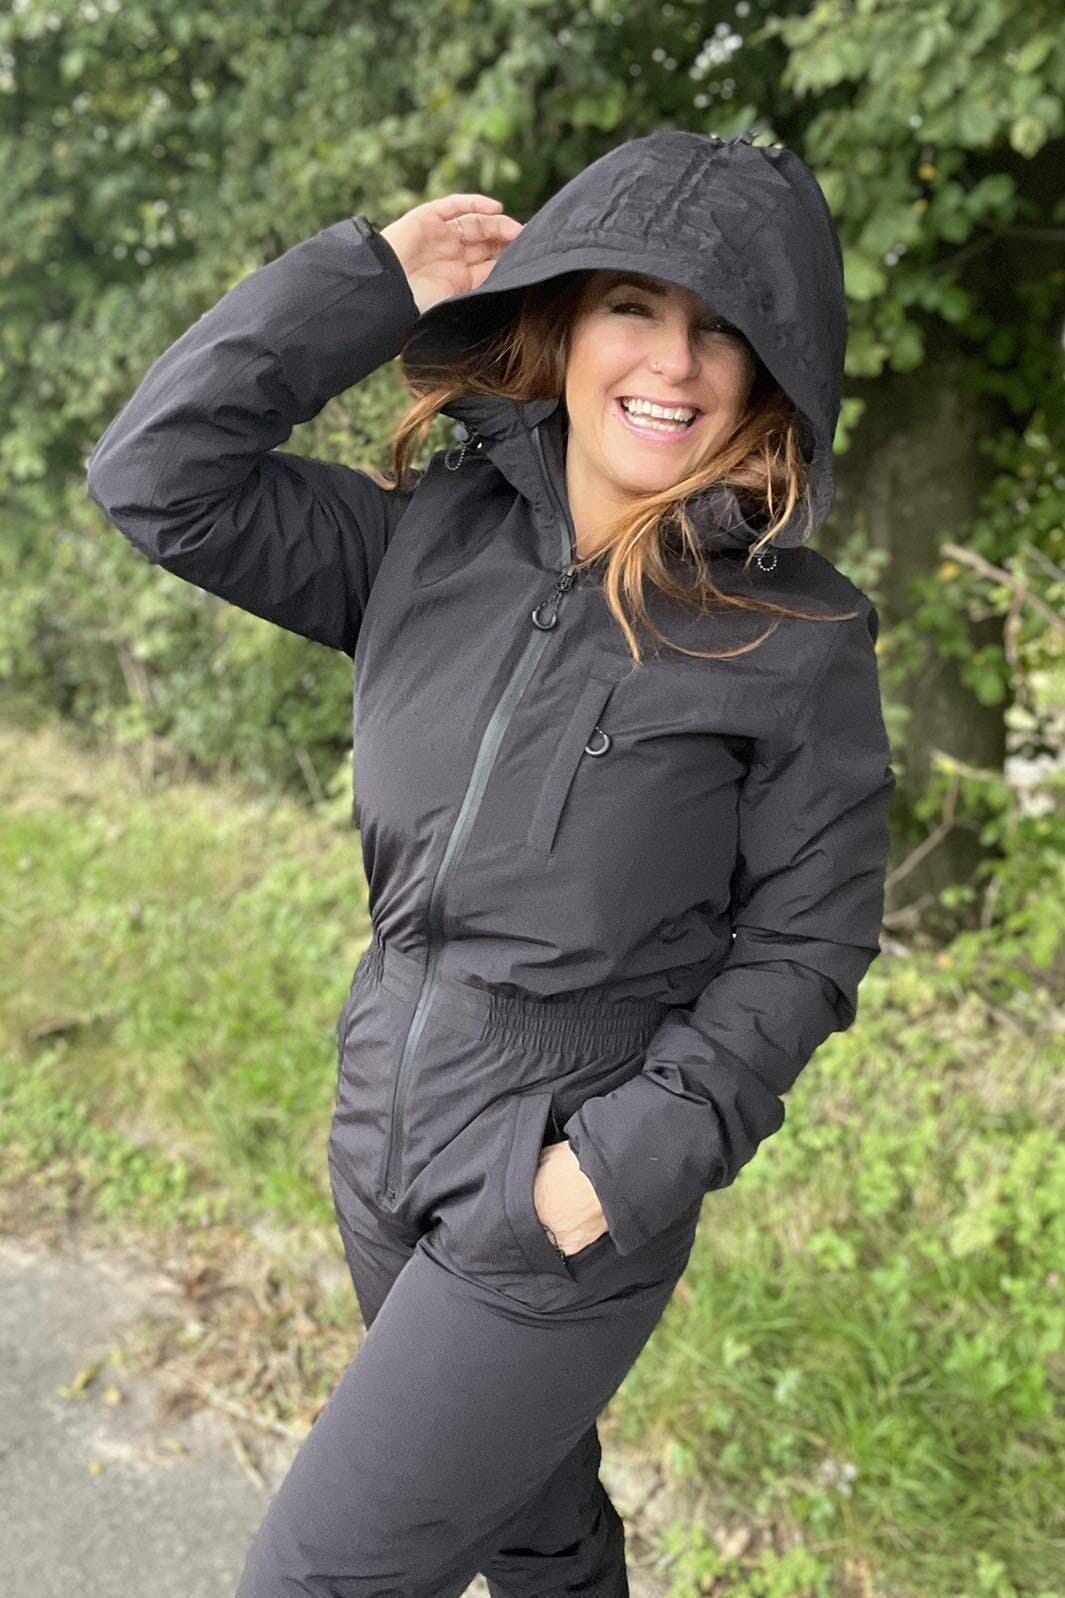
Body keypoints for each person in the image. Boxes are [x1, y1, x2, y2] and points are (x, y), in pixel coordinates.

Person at [86, 128, 895, 1598]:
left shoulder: (796, 638)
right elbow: (158, 477)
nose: (673, 360)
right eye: (633, 305)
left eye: (722, 326)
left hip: (561, 1193)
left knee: (313, 1577)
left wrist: (618, 1168)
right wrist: (371, 281)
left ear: (772, 371)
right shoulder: (423, 543)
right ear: (566, 327)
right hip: (384, 1129)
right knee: (531, 1525)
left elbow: (807, 946)